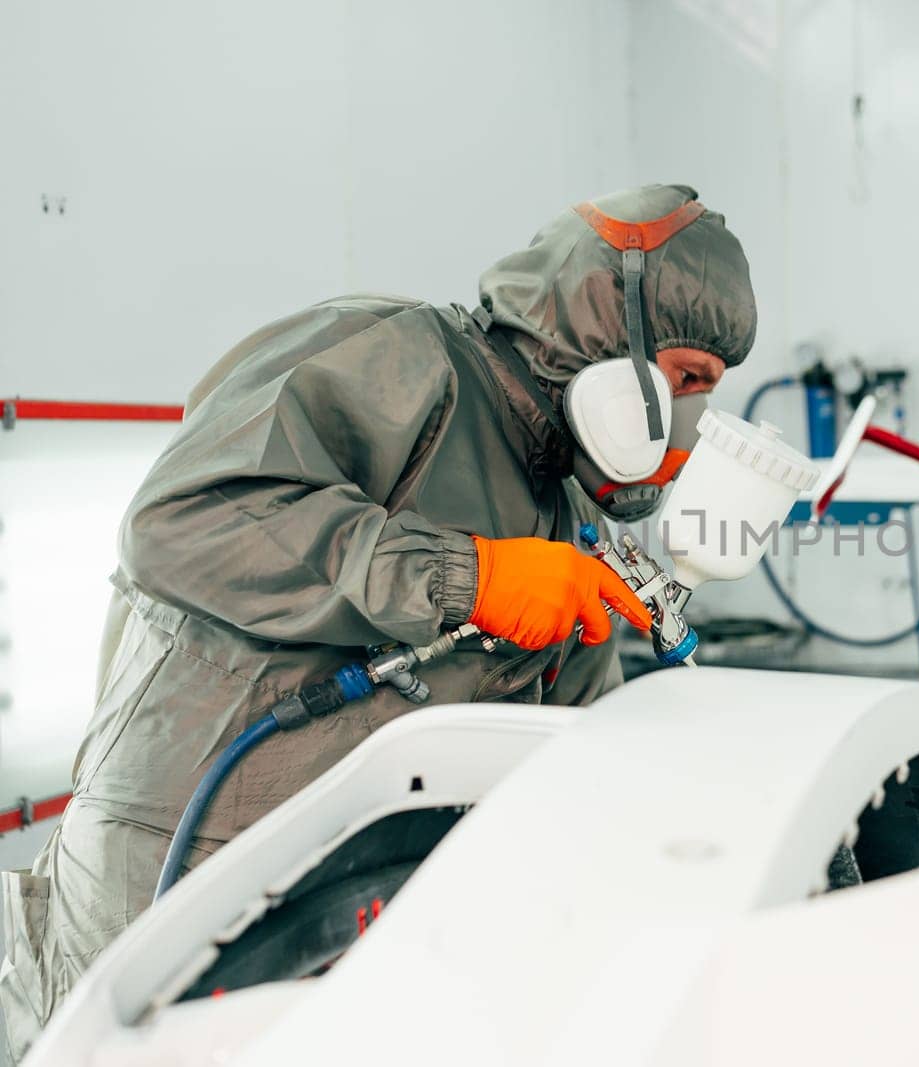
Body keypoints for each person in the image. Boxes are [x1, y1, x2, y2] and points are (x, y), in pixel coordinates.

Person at [0, 184, 756, 1058]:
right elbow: (182, 522)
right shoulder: (403, 358)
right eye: (687, 380)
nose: (688, 419)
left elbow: (577, 736)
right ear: (606, 325)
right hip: (171, 852)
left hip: (335, 881)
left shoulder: (564, 508)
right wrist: (464, 577)